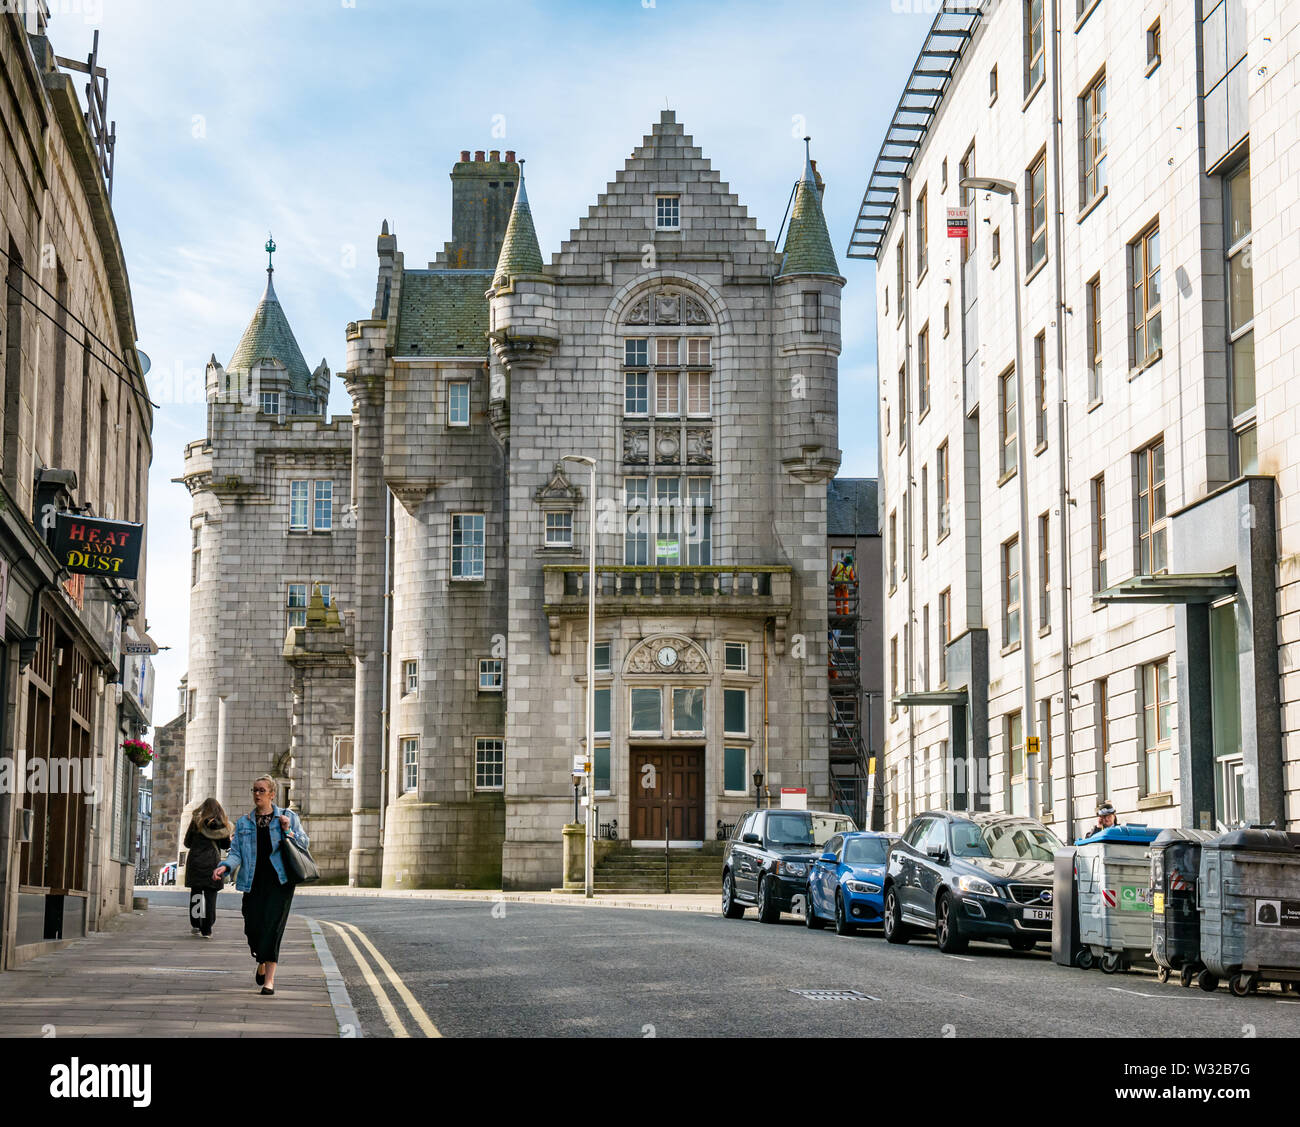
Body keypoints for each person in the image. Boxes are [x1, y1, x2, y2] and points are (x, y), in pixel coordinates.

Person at [213, 775, 308, 996]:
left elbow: (304, 844)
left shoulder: (287, 817)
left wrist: (287, 831)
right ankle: (261, 959)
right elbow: (235, 853)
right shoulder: (245, 822)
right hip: (253, 881)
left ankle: (270, 981)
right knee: (253, 926)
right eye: (254, 790)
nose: (257, 794)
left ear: (272, 794)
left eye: (262, 790)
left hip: (280, 882)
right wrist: (225, 867)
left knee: (273, 929)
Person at [183, 798, 232, 938]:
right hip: (212, 863)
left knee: (197, 893)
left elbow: (187, 843)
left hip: (196, 862)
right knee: (211, 895)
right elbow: (225, 845)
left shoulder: (196, 822)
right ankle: (207, 928)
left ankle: (196, 924)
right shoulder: (221, 825)